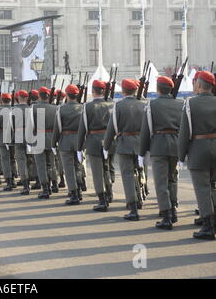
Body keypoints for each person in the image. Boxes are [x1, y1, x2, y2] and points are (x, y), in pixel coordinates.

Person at [139, 76, 183, 230]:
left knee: (160, 182)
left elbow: (146, 130)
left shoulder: (152, 105)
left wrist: (142, 151)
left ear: (158, 89)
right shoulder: (181, 104)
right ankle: (174, 210)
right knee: (172, 179)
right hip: (176, 144)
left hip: (159, 145)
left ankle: (166, 216)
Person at [178, 71, 216, 240]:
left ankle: (208, 225)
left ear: (199, 85)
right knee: (213, 187)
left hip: (199, 151)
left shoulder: (190, 104)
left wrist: (181, 156)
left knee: (202, 188)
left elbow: (184, 133)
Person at [104, 79, 146, 221]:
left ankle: (133, 208)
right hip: (141, 143)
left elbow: (112, 128)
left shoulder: (119, 106)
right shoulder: (144, 104)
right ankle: (140, 198)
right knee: (139, 171)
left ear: (123, 90)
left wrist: (106, 146)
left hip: (125, 144)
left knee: (128, 175)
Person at [77, 80, 115, 212]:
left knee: (97, 173)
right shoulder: (112, 104)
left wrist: (79, 147)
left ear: (93, 92)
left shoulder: (87, 107)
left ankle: (102, 200)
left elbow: (83, 129)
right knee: (107, 168)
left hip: (94, 141)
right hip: (110, 141)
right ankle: (109, 193)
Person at [52, 85, 83, 205]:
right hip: (79, 140)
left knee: (69, 169)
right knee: (78, 166)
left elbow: (57, 127)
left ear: (67, 95)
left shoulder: (61, 109)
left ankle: (74, 194)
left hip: (65, 140)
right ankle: (79, 189)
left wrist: (53, 143)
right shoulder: (82, 108)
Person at [32, 86, 58, 199]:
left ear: (39, 96)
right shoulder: (56, 108)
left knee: (41, 165)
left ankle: (45, 189)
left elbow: (31, 126)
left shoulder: (33, 108)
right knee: (51, 163)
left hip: (39, 137)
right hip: (52, 137)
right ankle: (54, 184)